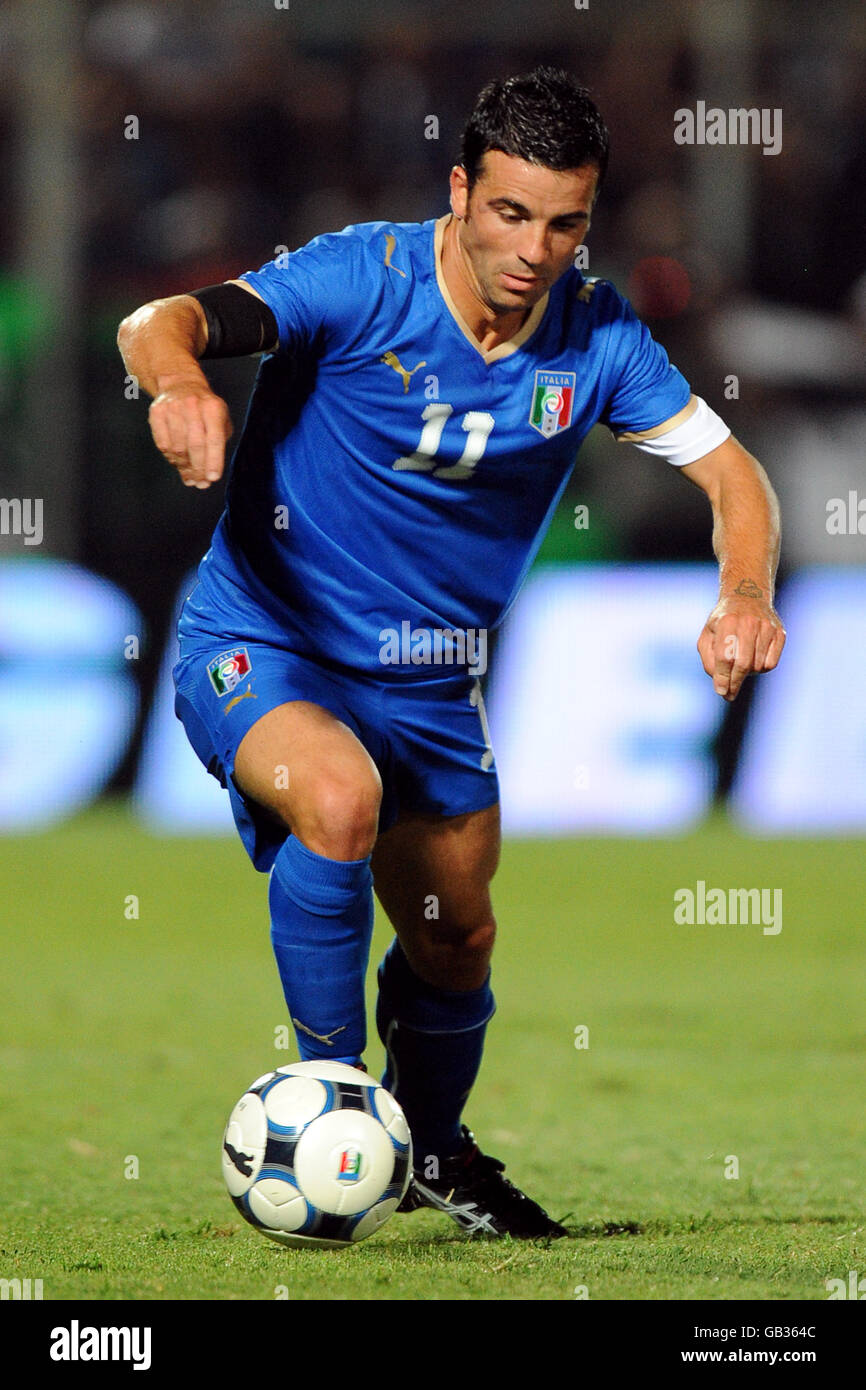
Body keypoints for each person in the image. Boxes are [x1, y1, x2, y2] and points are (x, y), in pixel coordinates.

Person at [117, 66, 785, 1240]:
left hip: (428, 680)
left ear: (589, 218)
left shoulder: (598, 337)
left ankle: (431, 1148)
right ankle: (334, 1104)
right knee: (336, 799)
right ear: (461, 191)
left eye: (565, 221)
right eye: (510, 213)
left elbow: (731, 475)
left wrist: (742, 593)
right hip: (264, 641)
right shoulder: (356, 280)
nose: (534, 248)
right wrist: (179, 384)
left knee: (455, 932)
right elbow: (158, 321)